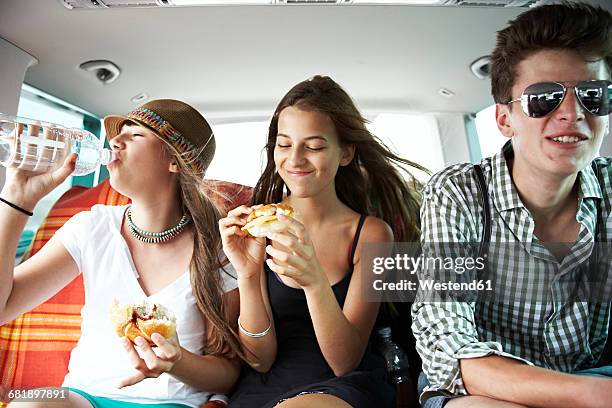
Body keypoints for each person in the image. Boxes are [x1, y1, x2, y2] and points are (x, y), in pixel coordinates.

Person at [412, 3, 612, 408]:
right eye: (544, 98)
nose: (573, 114)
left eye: (593, 96)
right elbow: (447, 345)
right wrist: (591, 395)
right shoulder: (459, 194)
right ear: (504, 119)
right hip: (480, 387)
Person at [0, 99, 242, 408]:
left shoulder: (218, 247)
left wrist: (177, 362)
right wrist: (16, 201)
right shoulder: (91, 227)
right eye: (119, 132)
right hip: (81, 398)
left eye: (136, 134)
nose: (114, 141)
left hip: (172, 403)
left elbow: (227, 373)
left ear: (175, 162)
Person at [219, 75, 425, 407]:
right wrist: (247, 273)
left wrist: (314, 281)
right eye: (284, 144)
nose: (295, 159)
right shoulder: (260, 224)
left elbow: (344, 362)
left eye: (313, 146)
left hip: (342, 386)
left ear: (345, 153)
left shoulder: (370, 234)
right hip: (264, 388)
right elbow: (260, 360)